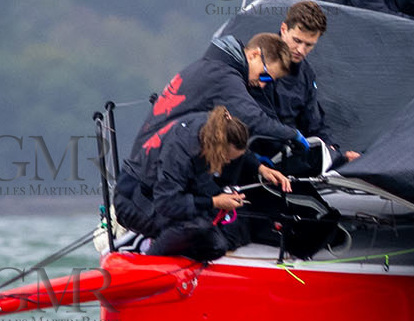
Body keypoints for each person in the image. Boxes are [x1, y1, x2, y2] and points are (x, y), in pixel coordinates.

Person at [114, 106, 293, 261]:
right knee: (195, 227)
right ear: (217, 148)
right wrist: (215, 202)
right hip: (136, 200)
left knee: (217, 246)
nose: (228, 162)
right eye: (226, 158)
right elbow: (167, 203)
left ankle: (172, 253)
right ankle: (147, 254)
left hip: (170, 194)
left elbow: (239, 152)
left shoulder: (216, 129)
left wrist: (261, 169)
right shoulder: (180, 152)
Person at [131, 32, 301, 152]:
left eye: (269, 81)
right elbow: (252, 118)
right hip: (154, 165)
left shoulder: (213, 67)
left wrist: (256, 166)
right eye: (265, 76)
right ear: (254, 55)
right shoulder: (225, 77)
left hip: (151, 156)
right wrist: (292, 135)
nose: (262, 85)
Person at [253, 0, 360, 167]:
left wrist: (334, 153)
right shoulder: (256, 64)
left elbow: (314, 124)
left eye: (309, 45)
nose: (301, 50)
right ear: (284, 29)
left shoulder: (306, 74)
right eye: (297, 40)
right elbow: (259, 124)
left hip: (293, 154)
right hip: (260, 156)